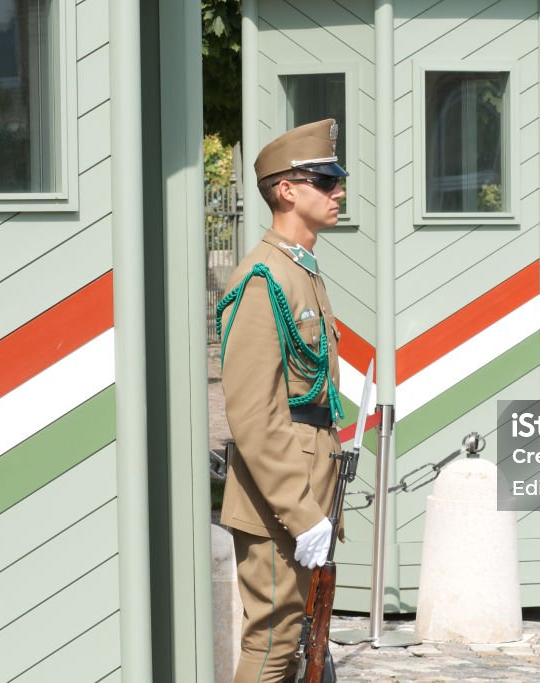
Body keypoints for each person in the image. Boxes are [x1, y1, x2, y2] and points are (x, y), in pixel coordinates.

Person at [218, 119, 348, 681]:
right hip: (279, 495)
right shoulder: (263, 278)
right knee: (272, 640)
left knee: (295, 636)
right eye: (325, 180)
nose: (339, 191)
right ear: (288, 190)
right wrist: (300, 512)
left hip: (307, 480)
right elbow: (252, 411)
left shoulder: (300, 271)